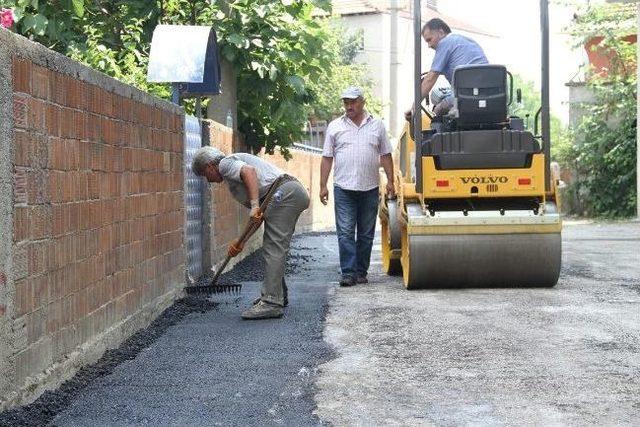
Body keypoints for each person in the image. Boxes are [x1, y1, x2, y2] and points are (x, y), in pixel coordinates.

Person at [192, 147, 310, 320]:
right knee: (273, 246)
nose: (207, 180)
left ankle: (271, 302)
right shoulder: (232, 176)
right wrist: (240, 243)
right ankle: (277, 295)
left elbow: (249, 172)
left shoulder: (225, 164)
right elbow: (257, 218)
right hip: (285, 193)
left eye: (204, 175)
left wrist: (254, 205)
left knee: (273, 247)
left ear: (210, 166)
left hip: (284, 193)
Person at [320, 87, 395, 287]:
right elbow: (327, 158)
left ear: (362, 102)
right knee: (345, 231)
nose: (349, 106)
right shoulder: (335, 126)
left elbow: (386, 155)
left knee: (366, 233)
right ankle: (348, 272)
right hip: (343, 187)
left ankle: (361, 271)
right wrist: (322, 186)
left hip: (369, 188)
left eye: (353, 102)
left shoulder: (377, 125)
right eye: (346, 102)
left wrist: (391, 182)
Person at [405, 18, 488, 120]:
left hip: (465, 98)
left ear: (441, 32)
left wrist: (414, 108)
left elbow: (430, 78)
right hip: (489, 97)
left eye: (429, 40)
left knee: (436, 113)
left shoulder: (445, 43)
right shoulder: (468, 42)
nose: (429, 45)